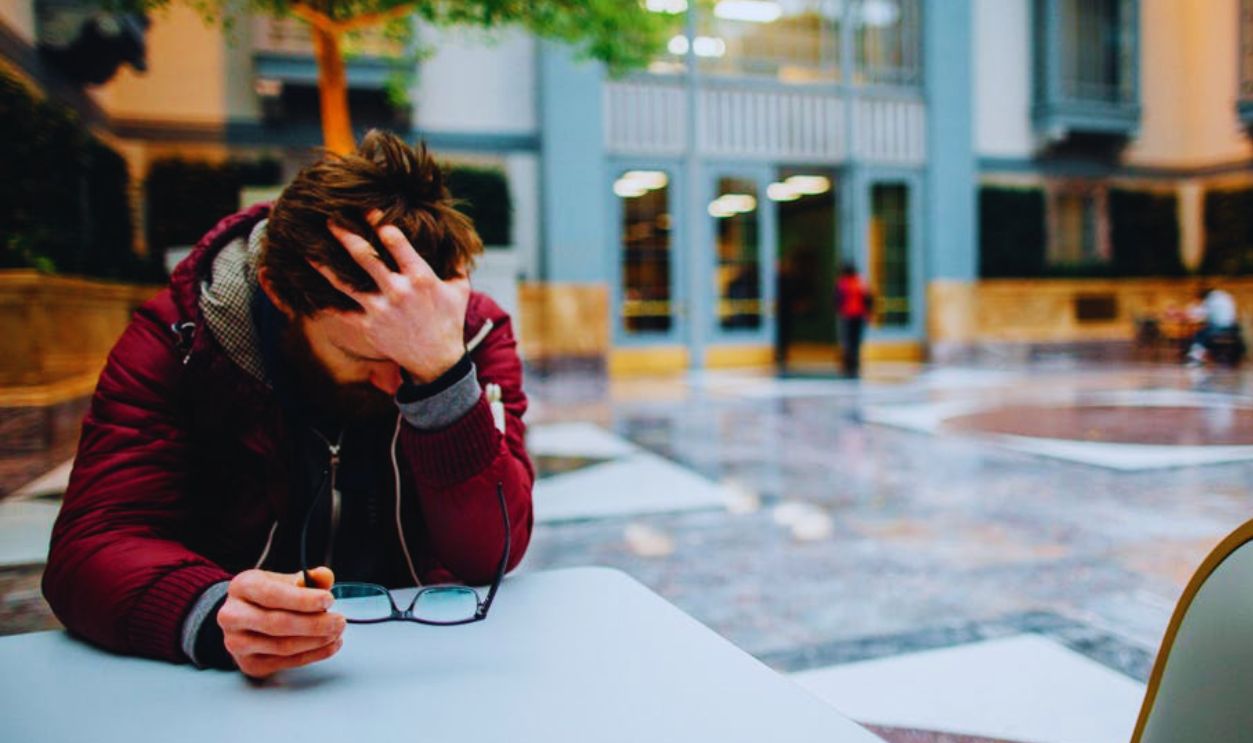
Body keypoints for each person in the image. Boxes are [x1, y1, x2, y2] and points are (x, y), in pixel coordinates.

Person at [41, 131, 534, 679]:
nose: (397, 382)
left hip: (423, 662)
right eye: (365, 353)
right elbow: (91, 547)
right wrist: (210, 611)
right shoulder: (182, 339)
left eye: (414, 352)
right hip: (239, 692)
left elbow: (489, 553)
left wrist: (443, 377)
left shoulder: (471, 333)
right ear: (278, 293)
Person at [1187, 287, 1243, 365]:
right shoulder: (1227, 296)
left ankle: (1196, 357)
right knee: (1207, 332)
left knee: (1199, 335)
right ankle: (1217, 356)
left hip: (1218, 328)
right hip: (1232, 328)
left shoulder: (1210, 299)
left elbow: (1205, 316)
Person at [834, 263, 872, 378]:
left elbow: (838, 299)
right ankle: (854, 363)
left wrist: (839, 310)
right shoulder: (860, 282)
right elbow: (868, 298)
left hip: (848, 315)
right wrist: (868, 312)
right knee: (855, 340)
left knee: (847, 340)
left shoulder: (843, 283)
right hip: (859, 315)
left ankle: (848, 363)